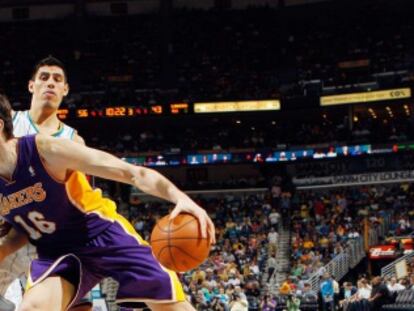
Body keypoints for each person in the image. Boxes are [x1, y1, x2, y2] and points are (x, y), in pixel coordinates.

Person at [0, 94, 216, 311]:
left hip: (103, 235)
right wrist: (5, 247)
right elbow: (22, 228)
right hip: (56, 252)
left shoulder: (45, 150)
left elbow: (131, 173)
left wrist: (180, 198)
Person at [0, 56, 87, 311]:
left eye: (57, 79)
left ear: (65, 89)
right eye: (44, 77)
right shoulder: (8, 123)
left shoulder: (73, 141)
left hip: (44, 242)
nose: (50, 83)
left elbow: (77, 201)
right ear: (31, 85)